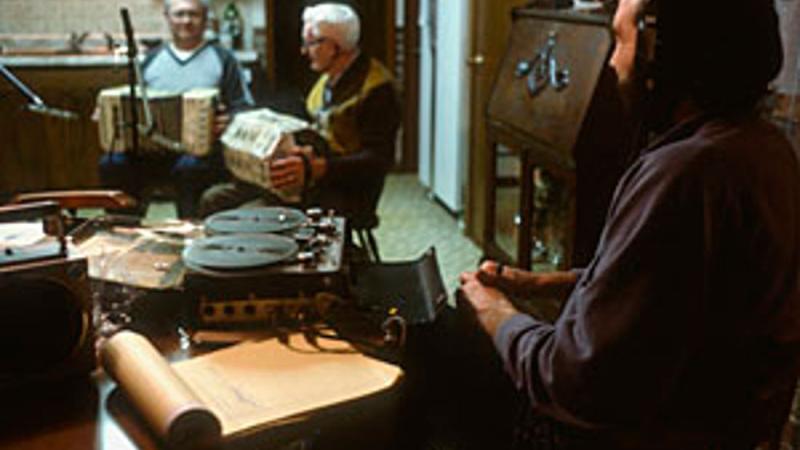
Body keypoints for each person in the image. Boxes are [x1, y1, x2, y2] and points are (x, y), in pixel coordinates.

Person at [456, 0, 800, 448]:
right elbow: (674, 290)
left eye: (620, 40)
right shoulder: (761, 146)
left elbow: (579, 381)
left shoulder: (687, 171)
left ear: (666, 52)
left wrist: (495, 312)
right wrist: (556, 283)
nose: (613, 62)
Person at [198, 3, 400, 223]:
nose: (303, 51)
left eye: (310, 43)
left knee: (248, 215)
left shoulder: (378, 89)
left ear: (334, 47)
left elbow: (377, 160)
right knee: (214, 200)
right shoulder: (327, 78)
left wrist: (318, 168)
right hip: (308, 181)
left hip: (345, 190)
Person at [98, 0, 254, 218]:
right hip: (152, 150)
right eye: (179, 14)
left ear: (205, 19)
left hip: (202, 154)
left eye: (194, 15)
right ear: (167, 17)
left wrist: (229, 120)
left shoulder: (224, 59)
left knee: (189, 169)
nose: (186, 21)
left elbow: (243, 107)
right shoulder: (152, 60)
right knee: (112, 163)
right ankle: (123, 229)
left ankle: (189, 234)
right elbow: (133, 104)